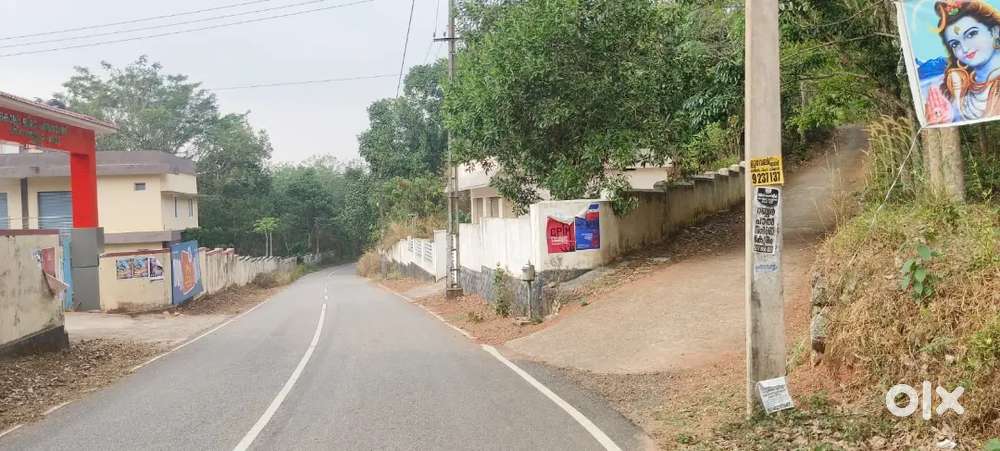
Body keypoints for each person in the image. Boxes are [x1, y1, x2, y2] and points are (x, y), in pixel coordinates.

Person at [925, 0, 1000, 124]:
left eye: (971, 34)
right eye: (955, 44)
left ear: (995, 31)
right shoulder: (956, 86)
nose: (964, 48)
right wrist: (945, 118)